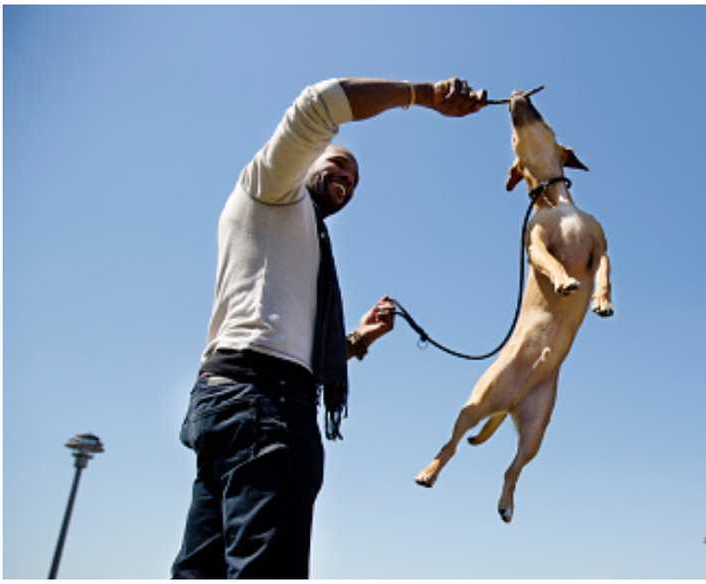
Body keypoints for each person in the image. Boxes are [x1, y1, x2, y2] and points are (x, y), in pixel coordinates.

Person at [171, 77, 488, 578]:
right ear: (308, 161)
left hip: (235, 402)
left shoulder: (298, 240)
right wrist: (426, 96)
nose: (348, 178)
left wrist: (360, 339)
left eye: (356, 179)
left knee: (201, 571)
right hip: (263, 404)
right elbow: (320, 103)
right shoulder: (273, 189)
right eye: (340, 164)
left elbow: (285, 338)